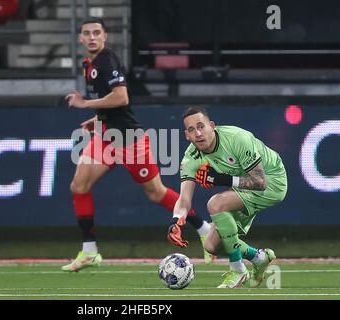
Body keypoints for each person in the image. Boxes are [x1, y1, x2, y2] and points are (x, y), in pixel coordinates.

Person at [62, 18, 214, 272]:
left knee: (156, 193)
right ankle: (89, 251)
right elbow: (110, 102)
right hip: (105, 134)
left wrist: (85, 104)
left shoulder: (107, 61)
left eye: (96, 33)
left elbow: (121, 97)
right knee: (79, 186)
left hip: (128, 139)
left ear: (105, 37)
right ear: (80, 38)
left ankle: (205, 229)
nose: (91, 37)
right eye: (86, 33)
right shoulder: (89, 64)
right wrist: (97, 118)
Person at [167, 106, 287, 288]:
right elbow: (184, 200)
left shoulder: (237, 138)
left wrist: (220, 178)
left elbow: (260, 182)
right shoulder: (191, 158)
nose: (198, 133)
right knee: (211, 245)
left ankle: (238, 270)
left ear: (212, 126)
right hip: (245, 188)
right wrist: (176, 221)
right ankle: (259, 257)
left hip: (273, 181)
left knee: (215, 204)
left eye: (201, 126)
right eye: (191, 130)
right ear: (187, 135)